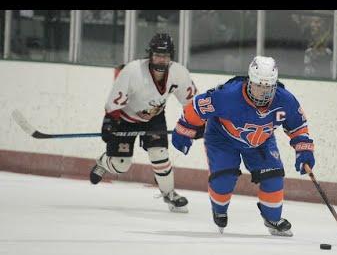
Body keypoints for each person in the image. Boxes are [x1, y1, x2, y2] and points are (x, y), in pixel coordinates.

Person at [171, 56, 316, 236]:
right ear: (249, 81)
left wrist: (304, 151)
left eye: (268, 87)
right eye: (258, 86)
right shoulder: (227, 96)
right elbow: (197, 107)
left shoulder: (285, 100)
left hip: (261, 142)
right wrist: (185, 128)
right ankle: (219, 209)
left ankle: (272, 218)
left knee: (273, 177)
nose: (263, 92)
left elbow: (298, 127)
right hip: (222, 139)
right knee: (223, 179)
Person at [89, 33, 198, 213]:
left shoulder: (179, 73)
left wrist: (197, 123)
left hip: (154, 119)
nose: (161, 60)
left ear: (171, 56)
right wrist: (109, 122)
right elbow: (115, 101)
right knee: (121, 165)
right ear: (150, 54)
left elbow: (191, 103)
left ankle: (169, 194)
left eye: (165, 56)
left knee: (159, 154)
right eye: (157, 55)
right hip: (125, 120)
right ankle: (103, 162)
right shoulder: (133, 71)